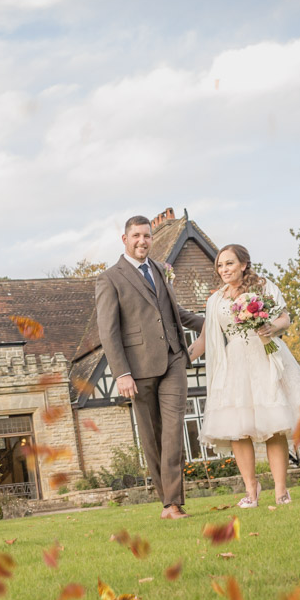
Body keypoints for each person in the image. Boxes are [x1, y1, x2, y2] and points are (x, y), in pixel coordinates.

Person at [188, 244, 300, 508]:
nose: (224, 270)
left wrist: (270, 327)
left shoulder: (264, 287)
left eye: (229, 264)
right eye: (220, 265)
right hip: (234, 365)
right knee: (237, 430)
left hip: (267, 358)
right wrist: (183, 359)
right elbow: (206, 338)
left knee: (274, 425)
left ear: (244, 264)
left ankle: (280, 490)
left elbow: (285, 319)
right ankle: (251, 490)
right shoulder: (215, 300)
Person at [95, 216, 205, 519]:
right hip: (138, 369)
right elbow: (109, 331)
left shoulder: (160, 270)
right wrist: (121, 373)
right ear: (125, 239)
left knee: (172, 431)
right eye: (136, 236)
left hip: (173, 360)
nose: (142, 241)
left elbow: (176, 312)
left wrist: (215, 320)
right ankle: (167, 501)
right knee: (151, 436)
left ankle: (173, 503)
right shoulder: (110, 279)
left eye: (147, 236)